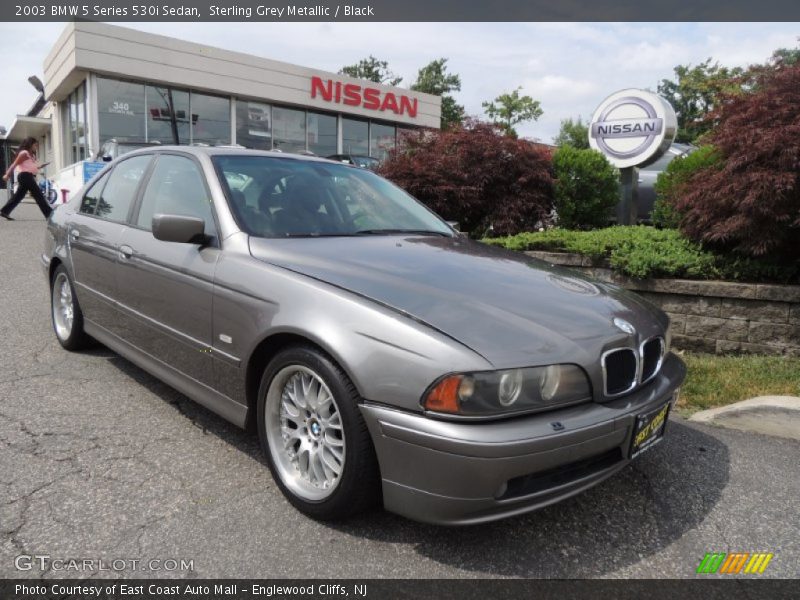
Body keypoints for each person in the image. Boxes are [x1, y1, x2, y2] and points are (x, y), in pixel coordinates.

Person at [1, 137, 52, 220]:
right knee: (38, 194)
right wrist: (7, 175)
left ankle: (5, 211)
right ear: (30, 144)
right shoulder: (24, 153)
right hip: (25, 176)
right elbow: (14, 164)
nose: (36, 147)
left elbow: (31, 167)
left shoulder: (32, 155)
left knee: (18, 196)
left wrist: (41, 166)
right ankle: (49, 214)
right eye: (35, 145)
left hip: (27, 176)